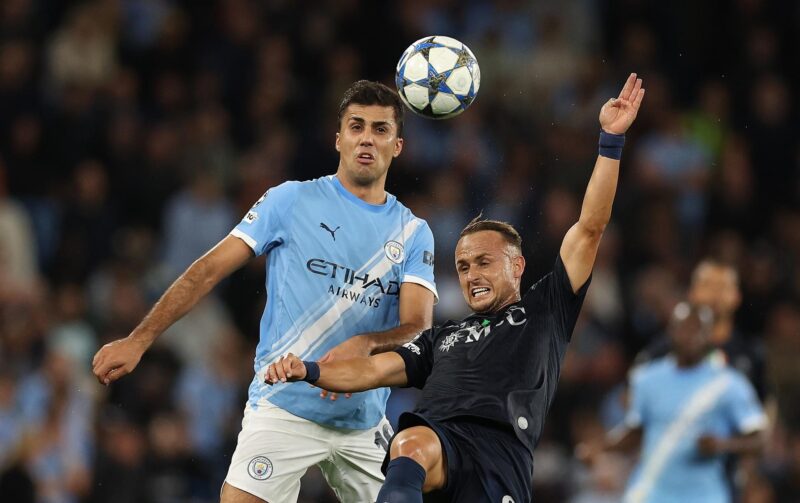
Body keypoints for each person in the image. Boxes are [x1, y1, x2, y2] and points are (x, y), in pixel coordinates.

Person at [265, 73, 645, 502]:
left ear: (517, 265)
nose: (471, 274)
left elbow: (590, 228)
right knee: (408, 444)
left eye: (484, 261)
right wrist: (309, 370)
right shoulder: (442, 338)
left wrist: (610, 142)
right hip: (438, 446)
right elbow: (372, 370)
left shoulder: (547, 307)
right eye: (462, 266)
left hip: (500, 460)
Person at [91, 80, 438, 503]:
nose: (367, 137)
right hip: (284, 405)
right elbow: (208, 270)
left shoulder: (413, 232)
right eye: (356, 126)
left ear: (397, 145)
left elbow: (419, 327)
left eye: (380, 129)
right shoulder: (289, 200)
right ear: (338, 139)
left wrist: (364, 343)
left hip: (363, 419)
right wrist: (139, 338)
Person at [580, 302, 767, 503]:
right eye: (684, 328)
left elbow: (759, 440)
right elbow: (636, 432)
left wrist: (723, 444)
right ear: (671, 331)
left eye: (697, 329)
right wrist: (601, 447)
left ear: (710, 335)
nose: (690, 336)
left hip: (705, 495)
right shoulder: (646, 378)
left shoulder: (729, 384)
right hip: (651, 493)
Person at [634, 259, 766, 398]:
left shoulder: (752, 351)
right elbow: (634, 395)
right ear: (691, 293)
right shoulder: (663, 350)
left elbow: (764, 404)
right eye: (707, 285)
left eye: (723, 286)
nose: (716, 294)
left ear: (737, 297)